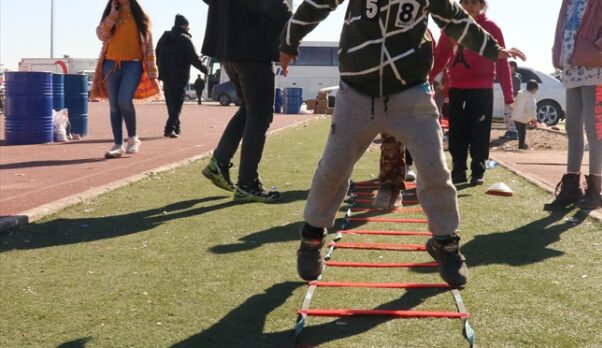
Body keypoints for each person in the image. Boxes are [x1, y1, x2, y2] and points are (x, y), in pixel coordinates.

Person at [280, 0, 525, 287]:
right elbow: (316, 4)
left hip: (411, 93)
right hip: (357, 93)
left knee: (434, 167)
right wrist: (288, 42)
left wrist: (493, 49)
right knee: (333, 168)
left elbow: (454, 18)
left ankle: (445, 242)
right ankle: (311, 238)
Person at [545, 0, 602, 211]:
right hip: (571, 67)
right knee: (572, 127)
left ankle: (594, 191)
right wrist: (557, 54)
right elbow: (562, 27)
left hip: (595, 69)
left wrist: (598, 47)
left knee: (593, 128)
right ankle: (571, 188)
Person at [199, 0, 291, 203]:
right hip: (252, 50)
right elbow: (273, 5)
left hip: (228, 48)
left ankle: (220, 162)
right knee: (260, 114)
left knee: (249, 110)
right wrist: (296, 31)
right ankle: (247, 184)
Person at [430, 0, 515, 186]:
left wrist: (509, 95)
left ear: (482, 6)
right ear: (459, 6)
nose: (470, 7)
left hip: (482, 88)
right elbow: (440, 57)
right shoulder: (450, 27)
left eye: (474, 3)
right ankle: (458, 169)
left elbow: (501, 61)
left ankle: (478, 170)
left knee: (479, 132)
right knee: (457, 131)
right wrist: (426, 80)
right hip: (457, 88)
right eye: (465, 3)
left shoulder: (491, 27)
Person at [91, 0, 159, 159]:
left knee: (124, 101)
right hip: (110, 64)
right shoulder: (111, 12)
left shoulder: (141, 15)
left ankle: (133, 138)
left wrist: (152, 69)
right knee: (114, 105)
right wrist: (113, 15)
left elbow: (149, 45)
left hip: (133, 64)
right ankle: (117, 144)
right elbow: (101, 35)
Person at [156, 14, 209, 138]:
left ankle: (176, 128)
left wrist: (159, 71)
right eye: (188, 27)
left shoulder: (164, 38)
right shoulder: (185, 39)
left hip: (166, 76)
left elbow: (157, 54)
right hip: (180, 77)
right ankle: (169, 129)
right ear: (184, 26)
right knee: (177, 105)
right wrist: (205, 69)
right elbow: (195, 59)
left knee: (170, 104)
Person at [511, 80, 539, 150]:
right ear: (534, 89)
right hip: (522, 118)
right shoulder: (530, 97)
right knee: (522, 132)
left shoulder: (520, 93)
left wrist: (515, 109)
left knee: (519, 131)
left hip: (516, 116)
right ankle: (521, 146)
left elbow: (513, 102)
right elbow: (532, 108)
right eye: (536, 90)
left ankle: (522, 144)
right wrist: (534, 118)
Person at [500, 60, 523, 140]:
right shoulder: (509, 77)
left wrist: (513, 102)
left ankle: (513, 132)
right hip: (508, 100)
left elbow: (516, 92)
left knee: (510, 117)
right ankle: (510, 131)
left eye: (511, 66)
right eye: (508, 66)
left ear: (514, 67)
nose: (510, 68)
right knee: (506, 117)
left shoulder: (515, 78)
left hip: (512, 101)